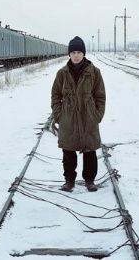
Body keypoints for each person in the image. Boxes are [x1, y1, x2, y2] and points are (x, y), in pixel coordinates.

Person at [51, 36, 106, 192]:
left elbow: (100, 96)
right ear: (69, 54)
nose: (76, 55)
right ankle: (69, 181)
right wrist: (58, 115)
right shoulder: (62, 73)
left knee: (90, 151)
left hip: (88, 117)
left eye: (79, 52)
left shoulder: (94, 72)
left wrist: (97, 115)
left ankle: (90, 180)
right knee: (68, 151)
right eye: (73, 52)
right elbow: (55, 95)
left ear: (84, 53)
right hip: (68, 118)